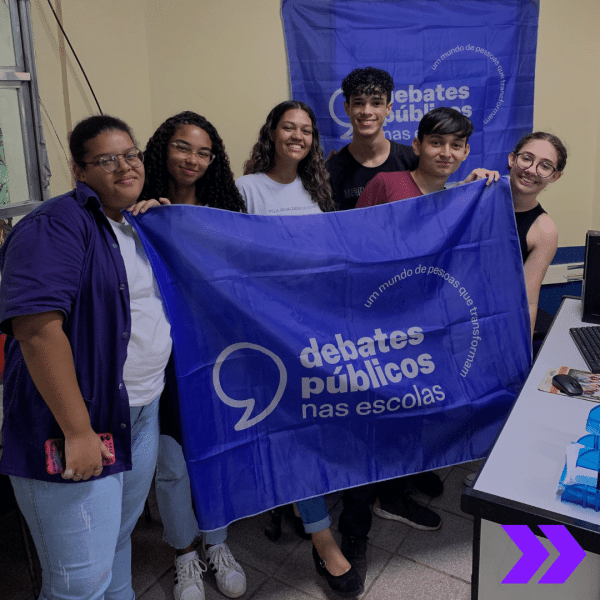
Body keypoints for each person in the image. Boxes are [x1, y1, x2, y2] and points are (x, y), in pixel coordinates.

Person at [0, 115, 171, 600]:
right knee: (78, 581)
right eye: (107, 159)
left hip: (139, 414)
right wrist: (77, 431)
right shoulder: (55, 224)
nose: (124, 166)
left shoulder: (134, 225)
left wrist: (159, 222)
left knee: (116, 544)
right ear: (79, 170)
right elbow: (35, 330)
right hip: (76, 424)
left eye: (131, 155)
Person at [236, 100, 364, 597]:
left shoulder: (318, 187)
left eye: (306, 130)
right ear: (271, 132)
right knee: (294, 432)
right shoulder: (246, 189)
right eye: (288, 127)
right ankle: (323, 537)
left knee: (321, 424)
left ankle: (301, 506)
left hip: (315, 326)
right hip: (267, 332)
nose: (297, 136)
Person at [141, 111, 247, 600]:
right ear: (164, 148)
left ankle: (217, 543)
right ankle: (184, 555)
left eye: (204, 152)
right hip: (157, 358)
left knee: (214, 454)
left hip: (213, 351)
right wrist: (142, 217)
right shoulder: (136, 209)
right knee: (172, 462)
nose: (193, 159)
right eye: (183, 147)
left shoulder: (224, 209)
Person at [508, 131, 564, 338]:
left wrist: (522, 360)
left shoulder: (544, 230)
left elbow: (528, 301)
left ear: (555, 176)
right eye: (526, 158)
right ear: (512, 158)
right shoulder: (479, 194)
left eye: (545, 166)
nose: (532, 170)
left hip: (494, 322)